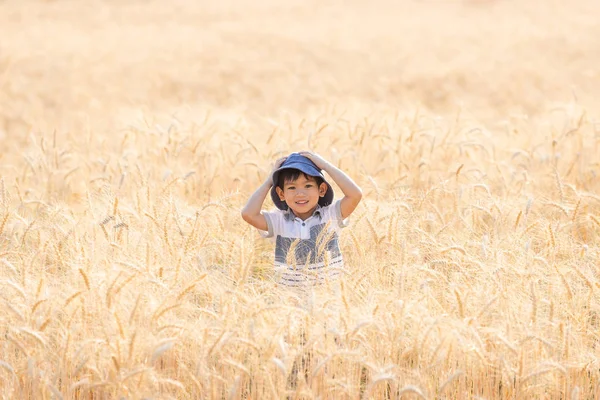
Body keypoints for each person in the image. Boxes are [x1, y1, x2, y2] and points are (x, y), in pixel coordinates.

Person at [241, 151, 362, 387]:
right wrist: (270, 179)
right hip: (291, 307)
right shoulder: (278, 220)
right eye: (292, 188)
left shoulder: (331, 216)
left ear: (322, 190)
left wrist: (324, 164)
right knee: (296, 366)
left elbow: (356, 194)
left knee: (329, 363)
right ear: (281, 194)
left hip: (329, 306)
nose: (301, 193)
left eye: (308, 185)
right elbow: (248, 214)